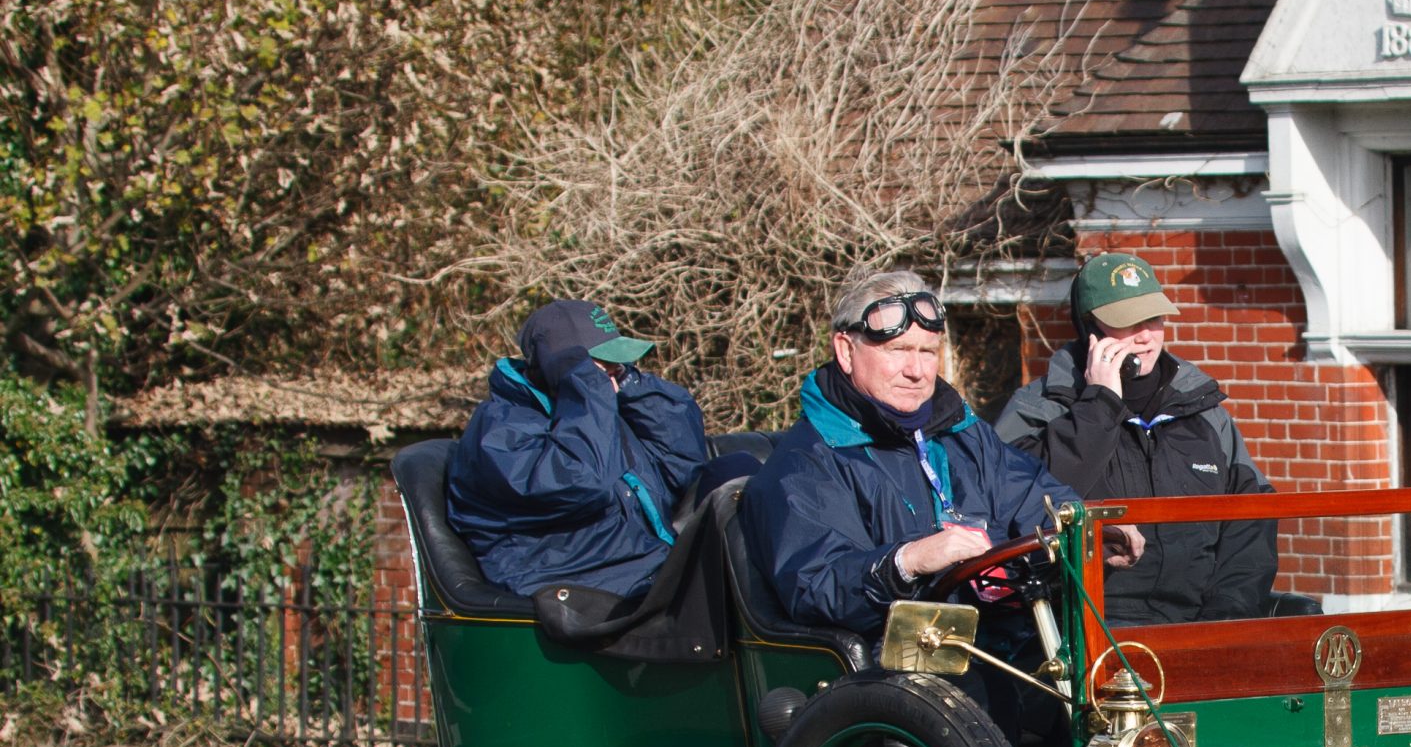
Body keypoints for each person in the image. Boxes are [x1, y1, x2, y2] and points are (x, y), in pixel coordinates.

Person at [740, 268, 1142, 640]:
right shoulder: (806, 463)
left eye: (927, 352)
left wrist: (1088, 529)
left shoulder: (962, 435)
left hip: (1000, 646)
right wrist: (907, 560)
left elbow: (1034, 496)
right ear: (846, 352)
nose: (916, 370)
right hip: (895, 671)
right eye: (897, 350)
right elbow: (816, 588)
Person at [995, 252, 1276, 624]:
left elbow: (1252, 520)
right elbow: (1020, 510)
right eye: (1128, 323)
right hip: (1089, 624)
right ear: (1088, 329)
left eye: (1154, 319)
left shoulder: (1204, 412)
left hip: (1205, 620)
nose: (1145, 336)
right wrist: (1100, 406)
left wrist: (1226, 615)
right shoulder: (1038, 410)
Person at [448, 299, 709, 597]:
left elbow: (682, 465)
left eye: (617, 370)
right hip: (577, 586)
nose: (611, 386)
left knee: (735, 475)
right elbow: (583, 482)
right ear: (563, 369)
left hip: (643, 568)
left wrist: (630, 384)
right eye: (604, 372)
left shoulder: (594, 415)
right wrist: (588, 386)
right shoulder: (499, 433)